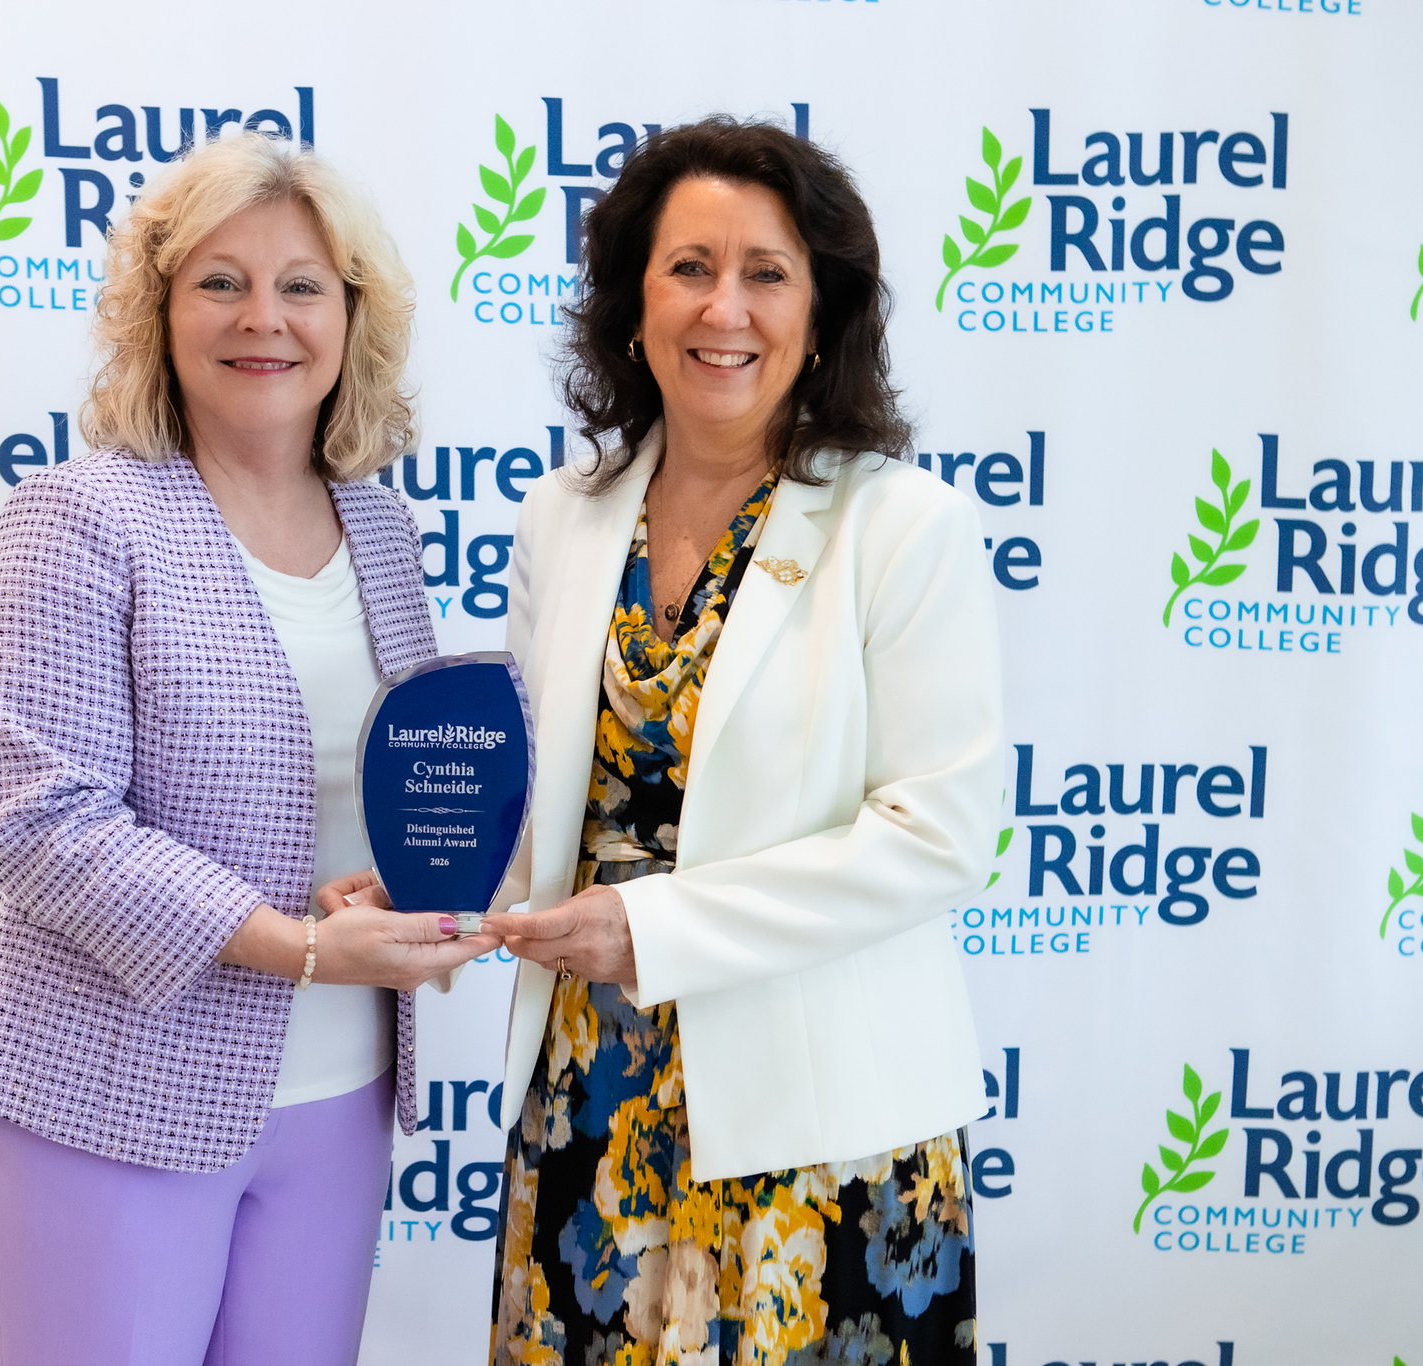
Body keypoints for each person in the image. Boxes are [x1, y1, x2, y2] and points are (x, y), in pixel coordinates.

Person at [0, 132, 496, 1366]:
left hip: (337, 1096)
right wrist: (298, 946)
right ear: (158, 312)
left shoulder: (382, 528)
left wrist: (414, 894)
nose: (265, 318)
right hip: (113, 1087)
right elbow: (47, 825)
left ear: (352, 317)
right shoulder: (80, 516)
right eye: (219, 281)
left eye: (302, 284)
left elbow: (396, 786)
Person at [481, 118, 1004, 1365]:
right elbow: (547, 802)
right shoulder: (561, 514)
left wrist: (647, 930)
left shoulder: (901, 526)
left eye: (766, 272)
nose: (726, 307)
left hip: (819, 1133)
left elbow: (936, 835)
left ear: (820, 315)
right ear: (630, 304)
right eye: (689, 267)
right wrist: (428, 884)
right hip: (587, 1105)